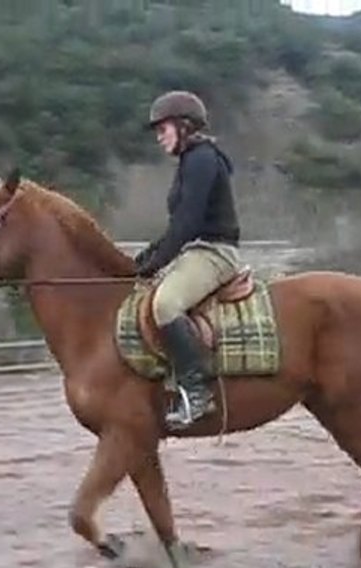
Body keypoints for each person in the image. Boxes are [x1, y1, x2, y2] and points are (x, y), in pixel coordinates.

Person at [134, 89, 244, 429]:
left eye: (162, 129)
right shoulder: (190, 161)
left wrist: (155, 262)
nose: (159, 137)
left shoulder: (202, 160)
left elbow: (187, 224)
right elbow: (177, 227)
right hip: (196, 250)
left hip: (215, 252)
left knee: (165, 304)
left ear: (184, 126)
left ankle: (197, 392)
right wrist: (144, 258)